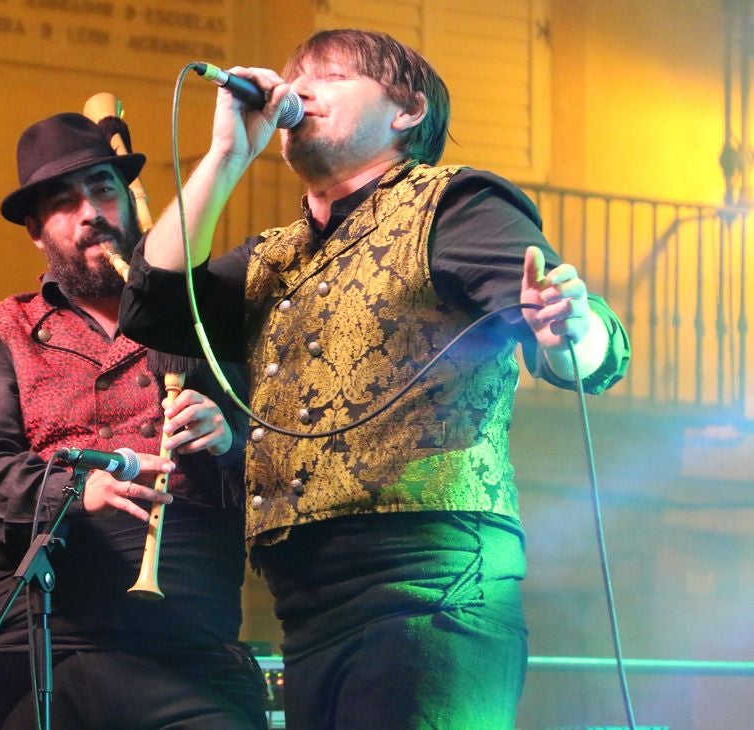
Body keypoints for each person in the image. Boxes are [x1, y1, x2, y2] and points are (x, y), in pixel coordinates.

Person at [118, 29, 631, 729]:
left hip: (431, 584)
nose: (300, 91)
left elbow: (579, 340)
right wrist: (226, 156)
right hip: (306, 601)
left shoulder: (455, 205)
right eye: (296, 76)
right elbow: (152, 304)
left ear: (407, 111)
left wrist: (574, 330)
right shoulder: (272, 256)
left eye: (329, 76)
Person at [0, 112, 267, 729]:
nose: (91, 212)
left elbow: (278, 465)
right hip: (46, 640)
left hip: (189, 636)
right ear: (36, 232)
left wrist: (228, 442)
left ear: (131, 205)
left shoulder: (201, 319)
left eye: (103, 191)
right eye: (66, 203)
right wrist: (77, 489)